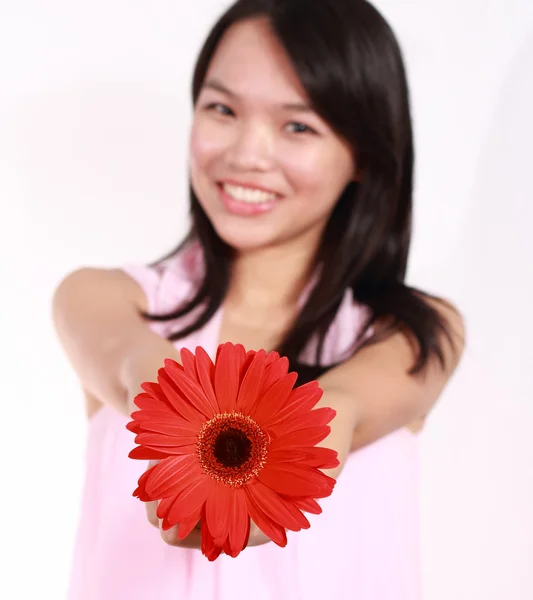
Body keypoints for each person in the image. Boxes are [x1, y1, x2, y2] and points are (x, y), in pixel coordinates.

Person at [53, 0, 465, 598]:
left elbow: (337, 411)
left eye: (297, 125)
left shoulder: (411, 331)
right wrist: (193, 448)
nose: (247, 154)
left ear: (365, 155)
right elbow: (135, 366)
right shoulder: (103, 297)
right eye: (222, 109)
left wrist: (249, 479)